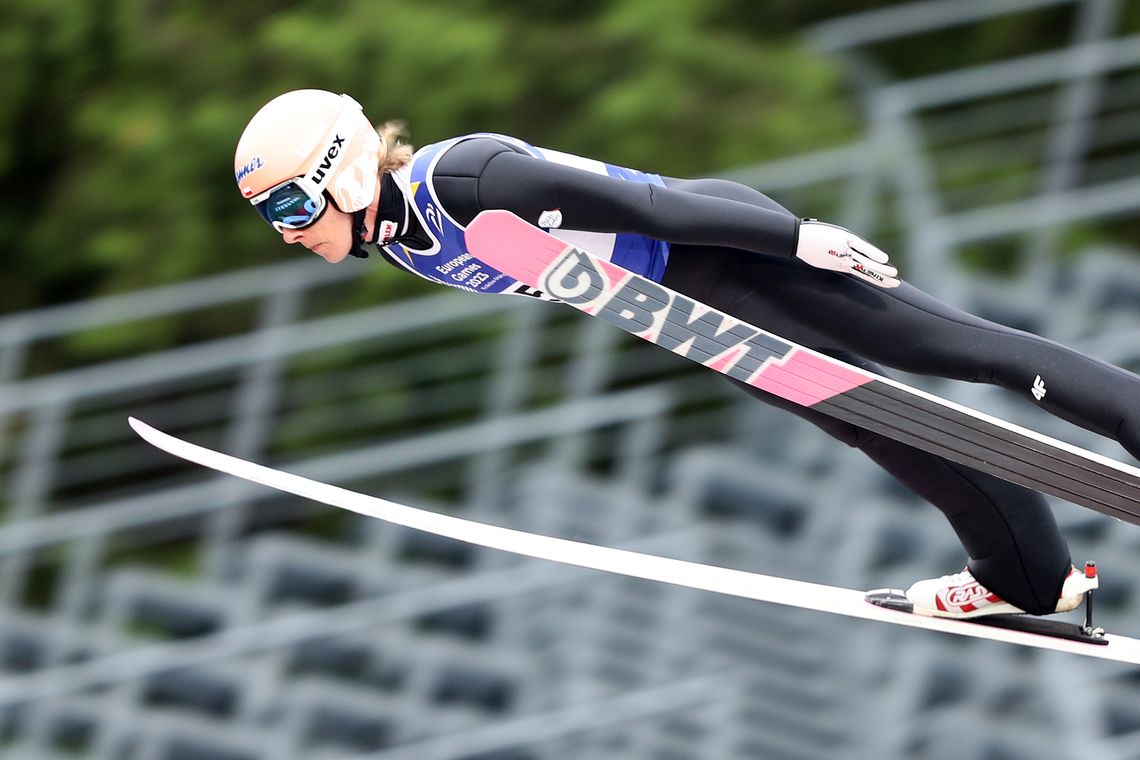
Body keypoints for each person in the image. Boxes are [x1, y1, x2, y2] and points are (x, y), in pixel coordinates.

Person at [233, 89, 1140, 620]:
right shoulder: (398, 238)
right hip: (679, 308)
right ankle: (1029, 574)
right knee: (887, 427)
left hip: (721, 254)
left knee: (955, 349)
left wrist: (795, 238)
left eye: (286, 210)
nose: (285, 235)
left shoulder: (466, 181)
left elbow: (655, 207)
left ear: (344, 173)